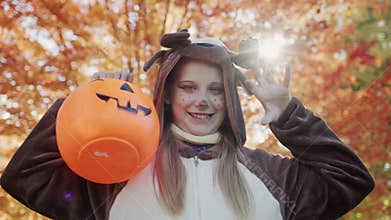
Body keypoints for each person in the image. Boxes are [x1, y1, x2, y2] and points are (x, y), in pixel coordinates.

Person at [0, 30, 374, 220]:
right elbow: (26, 175)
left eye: (215, 90)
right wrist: (84, 106)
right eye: (188, 88)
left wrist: (288, 113)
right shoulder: (116, 174)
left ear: (229, 99)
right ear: (166, 94)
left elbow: (349, 179)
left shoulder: (269, 175)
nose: (203, 101)